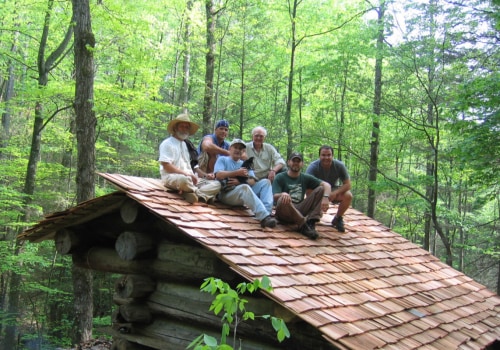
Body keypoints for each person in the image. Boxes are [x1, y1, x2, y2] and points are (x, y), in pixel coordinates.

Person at [214, 139, 277, 228]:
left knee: (266, 182)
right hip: (226, 194)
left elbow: (253, 180)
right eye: (235, 147)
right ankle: (263, 216)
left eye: (240, 148)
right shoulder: (223, 159)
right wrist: (236, 173)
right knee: (244, 187)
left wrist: (240, 181)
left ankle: (266, 215)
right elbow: (218, 175)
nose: (238, 150)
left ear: (243, 151)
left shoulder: (245, 163)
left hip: (242, 192)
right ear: (230, 149)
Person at [159, 114, 221, 204]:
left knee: (217, 184)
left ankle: (196, 194)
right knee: (183, 180)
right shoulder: (167, 143)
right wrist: (187, 174)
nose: (184, 129)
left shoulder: (185, 145)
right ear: (175, 128)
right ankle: (202, 195)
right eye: (182, 126)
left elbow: (192, 167)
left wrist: (203, 176)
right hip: (173, 178)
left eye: (187, 127)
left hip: (190, 180)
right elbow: (167, 166)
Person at [272, 152, 331, 240]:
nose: (296, 163)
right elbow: (275, 195)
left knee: (321, 189)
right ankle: (303, 225)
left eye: (298, 161)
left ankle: (311, 221)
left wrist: (326, 198)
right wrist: (283, 194)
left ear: (302, 164)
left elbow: (326, 185)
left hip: (299, 209)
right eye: (293, 161)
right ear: (288, 162)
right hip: (285, 210)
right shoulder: (280, 177)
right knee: (282, 199)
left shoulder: (305, 177)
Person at [306, 145, 352, 232]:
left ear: (332, 156)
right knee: (309, 190)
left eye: (328, 155)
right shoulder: (313, 167)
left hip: (333, 191)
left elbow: (348, 184)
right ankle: (311, 217)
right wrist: (323, 196)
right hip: (318, 190)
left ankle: (338, 218)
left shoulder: (339, 166)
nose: (326, 157)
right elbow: (307, 185)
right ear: (319, 156)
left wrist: (335, 193)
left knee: (348, 195)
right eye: (323, 155)